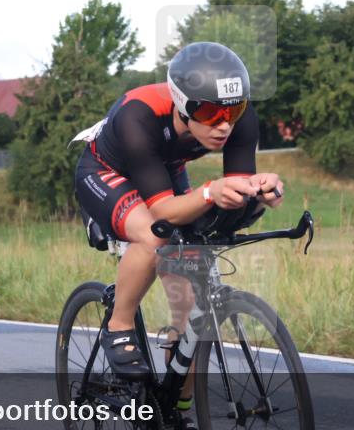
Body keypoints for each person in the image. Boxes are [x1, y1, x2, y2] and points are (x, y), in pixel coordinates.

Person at [72, 42, 285, 407]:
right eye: (210, 113)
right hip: (107, 172)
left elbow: (233, 195)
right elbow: (165, 214)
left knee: (191, 311)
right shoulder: (137, 115)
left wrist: (259, 191)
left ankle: (178, 412)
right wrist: (209, 192)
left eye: (233, 112)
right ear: (183, 104)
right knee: (156, 238)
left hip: (164, 170)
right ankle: (119, 326)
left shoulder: (238, 120)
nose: (223, 126)